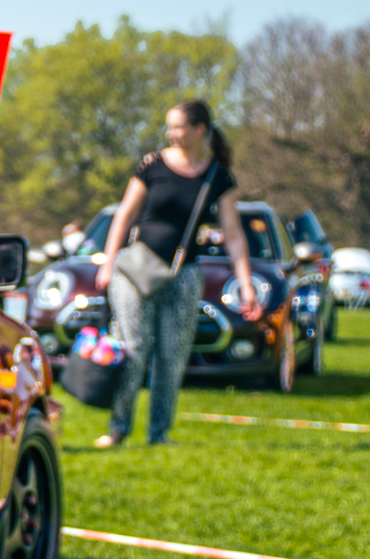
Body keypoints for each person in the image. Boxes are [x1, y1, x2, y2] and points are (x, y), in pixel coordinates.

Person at [92, 100, 261, 447]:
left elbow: (233, 235)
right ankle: (118, 429)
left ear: (200, 129)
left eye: (179, 127)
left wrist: (246, 286)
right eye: (169, 127)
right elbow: (124, 215)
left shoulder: (217, 176)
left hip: (183, 275)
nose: (172, 134)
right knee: (135, 349)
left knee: (172, 356)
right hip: (135, 269)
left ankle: (159, 433)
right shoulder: (152, 164)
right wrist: (108, 263)